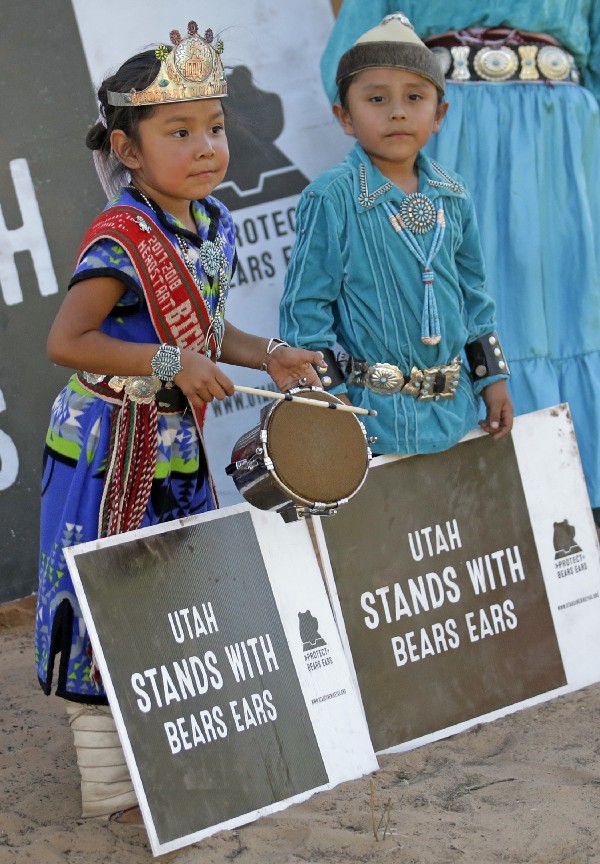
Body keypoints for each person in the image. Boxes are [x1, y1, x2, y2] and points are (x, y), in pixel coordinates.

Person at [35, 21, 323, 824]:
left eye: (216, 128)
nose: (206, 146)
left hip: (171, 445)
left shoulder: (214, 225)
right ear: (127, 150)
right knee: (102, 602)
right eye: (180, 131)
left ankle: (168, 759)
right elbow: (68, 341)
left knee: (175, 598)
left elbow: (204, 329)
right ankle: (110, 791)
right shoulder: (120, 237)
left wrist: (267, 355)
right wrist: (165, 365)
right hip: (105, 452)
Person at [320, 0, 600, 520]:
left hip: (565, 140)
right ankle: (481, 501)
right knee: (455, 288)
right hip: (448, 134)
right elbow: (350, 61)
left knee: (576, 302)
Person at [280, 14, 513, 461]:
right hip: (370, 419)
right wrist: (332, 400)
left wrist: (492, 377)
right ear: (344, 116)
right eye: (376, 99)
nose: (398, 111)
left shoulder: (453, 194)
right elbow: (305, 309)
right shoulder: (332, 197)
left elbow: (474, 294)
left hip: (457, 412)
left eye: (414, 97)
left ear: (439, 114)